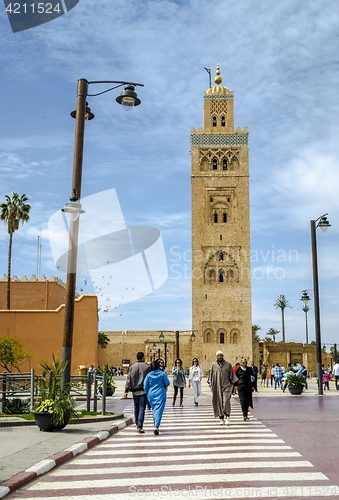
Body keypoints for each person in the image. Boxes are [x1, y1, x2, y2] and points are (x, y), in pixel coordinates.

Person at [207, 350, 238, 425]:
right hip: (217, 387)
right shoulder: (214, 365)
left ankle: (227, 416)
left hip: (227, 386)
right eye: (218, 356)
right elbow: (210, 377)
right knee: (219, 402)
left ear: (223, 356)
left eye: (221, 355)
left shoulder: (228, 364)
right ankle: (221, 418)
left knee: (226, 401)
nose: (220, 357)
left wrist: (235, 385)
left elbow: (232, 376)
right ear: (216, 357)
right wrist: (211, 386)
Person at [124, 352, 150, 434]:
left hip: (134, 390)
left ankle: (136, 423)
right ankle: (140, 426)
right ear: (143, 357)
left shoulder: (132, 367)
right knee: (142, 407)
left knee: (136, 407)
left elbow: (129, 379)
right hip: (143, 390)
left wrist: (126, 391)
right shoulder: (147, 367)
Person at [144, 359, 170, 435]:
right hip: (161, 393)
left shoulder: (148, 375)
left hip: (151, 394)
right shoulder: (162, 374)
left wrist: (147, 393)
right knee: (159, 410)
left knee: (154, 409)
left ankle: (156, 424)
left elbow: (145, 386)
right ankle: (156, 426)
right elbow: (167, 383)